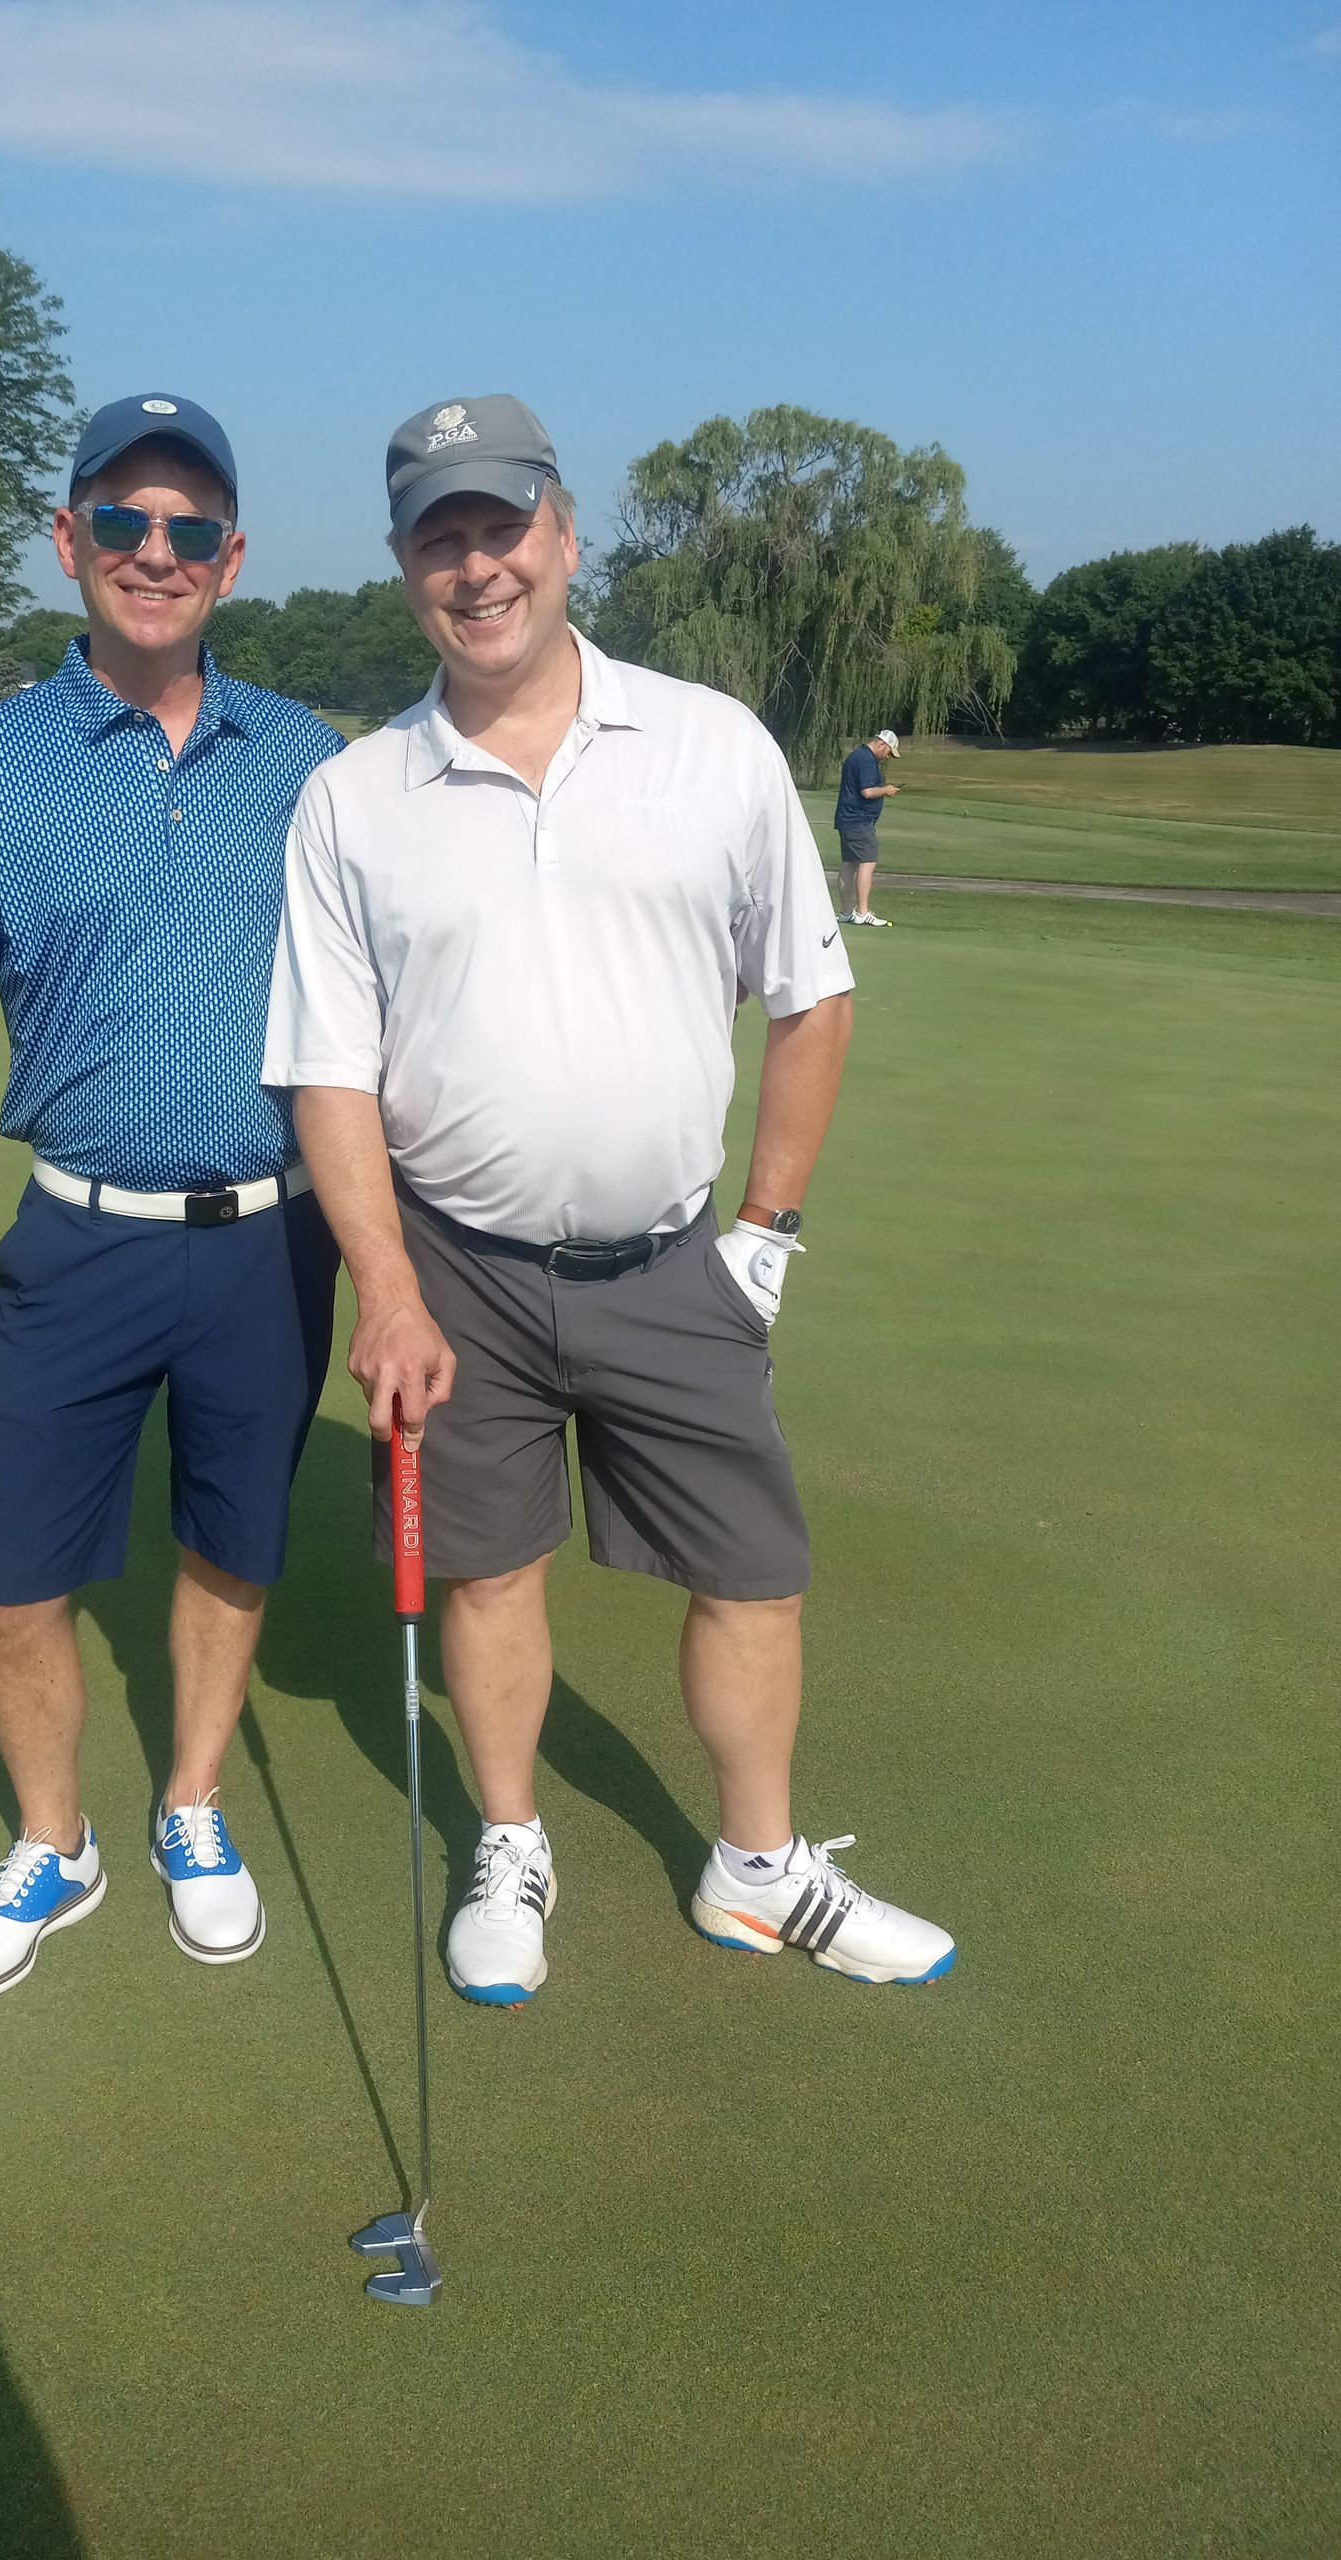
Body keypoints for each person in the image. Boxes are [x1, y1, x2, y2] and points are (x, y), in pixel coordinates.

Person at [263, 394, 953, 2003]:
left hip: (673, 1265)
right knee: (487, 1574)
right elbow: (328, 1074)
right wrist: (389, 1285)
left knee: (752, 1572)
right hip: (457, 1267)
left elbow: (811, 996)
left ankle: (757, 1869)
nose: (478, 563)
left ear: (566, 537)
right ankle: (512, 1839)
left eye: (504, 526)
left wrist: (765, 1239)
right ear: (402, 566)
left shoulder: (711, 745)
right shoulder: (355, 797)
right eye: (442, 535)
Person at [0, 394, 342, 2002]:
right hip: (77, 1235)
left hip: (272, 1240)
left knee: (229, 1546)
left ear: (232, 560)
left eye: (190, 530)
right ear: (68, 542)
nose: (154, 553)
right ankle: (56, 1844)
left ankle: (191, 1802)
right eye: (121, 522)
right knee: (3, 1589)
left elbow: (388, 1009)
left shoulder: (310, 761)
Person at [834, 728, 901, 925]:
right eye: (888, 752)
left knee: (849, 863)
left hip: (848, 819)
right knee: (867, 862)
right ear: (881, 744)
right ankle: (862, 912)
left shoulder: (858, 756)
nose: (887, 757)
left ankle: (846, 912)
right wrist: (887, 790)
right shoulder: (866, 760)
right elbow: (867, 792)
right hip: (859, 820)